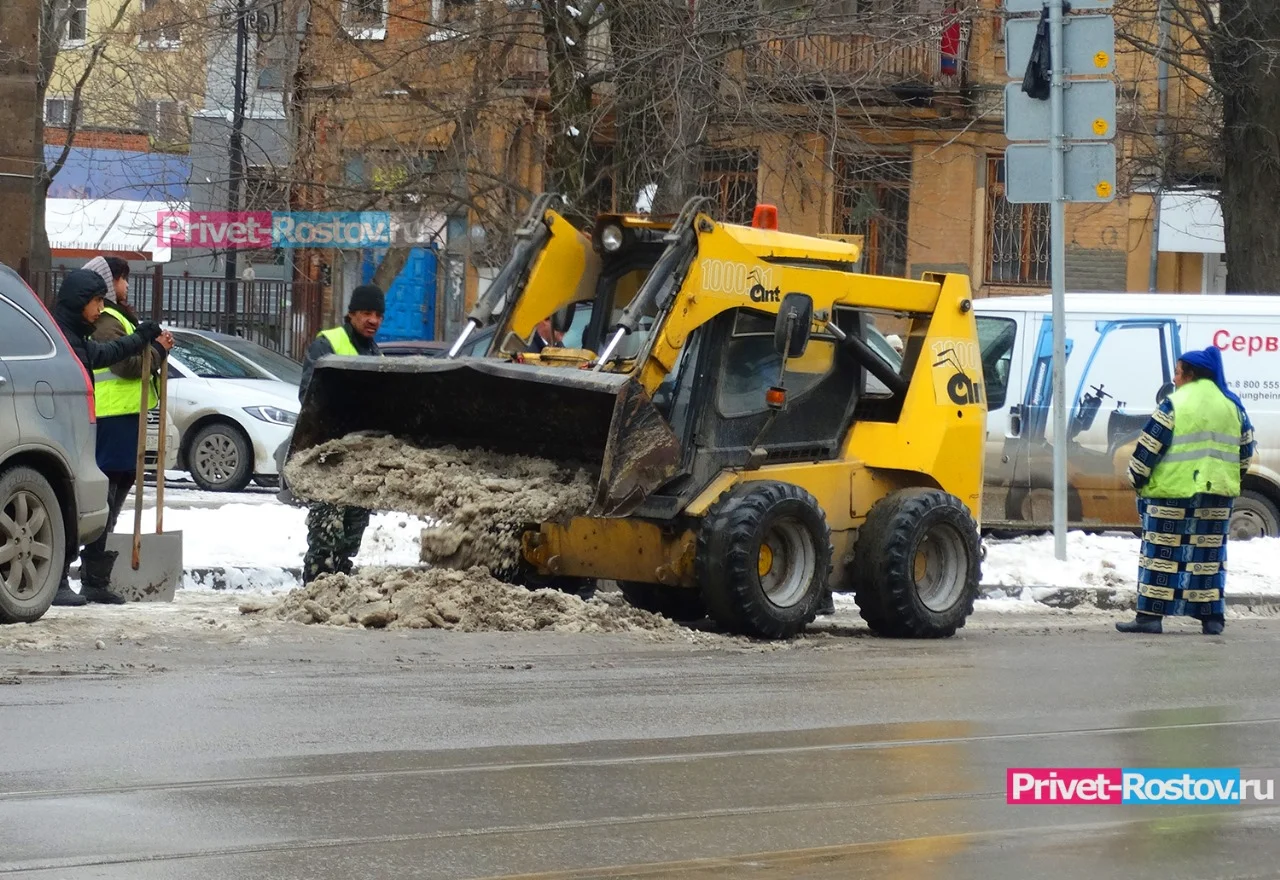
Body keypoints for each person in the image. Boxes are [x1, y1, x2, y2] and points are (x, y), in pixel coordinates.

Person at [1116, 346, 1256, 635]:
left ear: (1190, 375)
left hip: (1171, 494)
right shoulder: (1232, 406)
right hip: (1216, 495)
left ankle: (1149, 618)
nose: (1175, 379)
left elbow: (1148, 448)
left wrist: (1136, 479)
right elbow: (1246, 451)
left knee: (1161, 556)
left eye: (1178, 373)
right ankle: (1212, 619)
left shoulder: (1174, 404)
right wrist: (1228, 477)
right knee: (1207, 558)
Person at [51, 269, 169, 606]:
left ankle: (87, 580)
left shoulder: (76, 336)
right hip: (68, 429)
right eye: (96, 301)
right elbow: (114, 363)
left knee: (96, 497)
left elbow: (105, 354)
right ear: (79, 302)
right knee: (68, 500)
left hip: (81, 428)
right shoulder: (63, 338)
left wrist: (143, 336)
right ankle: (58, 579)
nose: (100, 308)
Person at [298, 284, 384, 584]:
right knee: (326, 533)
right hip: (328, 456)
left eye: (378, 315)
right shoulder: (328, 344)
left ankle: (340, 589)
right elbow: (309, 393)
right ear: (351, 314)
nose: (372, 320)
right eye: (366, 313)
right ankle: (316, 590)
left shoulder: (377, 354)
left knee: (351, 533)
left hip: (360, 460)